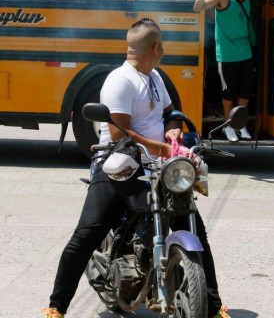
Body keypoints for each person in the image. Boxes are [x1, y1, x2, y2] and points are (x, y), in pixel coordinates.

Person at [42, 19, 230, 318]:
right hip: (118, 166)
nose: (164, 50)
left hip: (159, 166)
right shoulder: (120, 80)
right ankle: (56, 307)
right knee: (86, 235)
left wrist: (172, 131)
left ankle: (215, 305)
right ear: (155, 48)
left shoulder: (154, 76)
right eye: (162, 45)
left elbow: (171, 113)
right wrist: (158, 147)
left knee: (194, 229)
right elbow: (118, 133)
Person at [193, 0, 254, 142]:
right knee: (228, 93)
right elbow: (197, 8)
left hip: (246, 53)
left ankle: (240, 124)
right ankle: (229, 126)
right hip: (227, 55)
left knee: (245, 92)